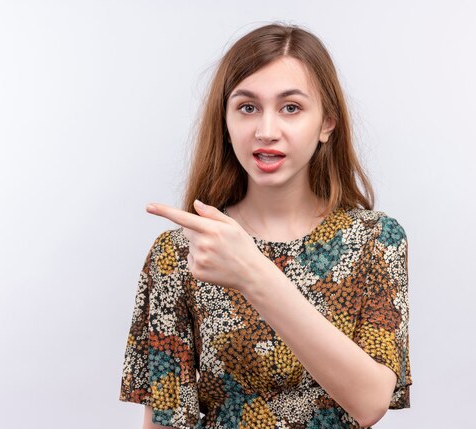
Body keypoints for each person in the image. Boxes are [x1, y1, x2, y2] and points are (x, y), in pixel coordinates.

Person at [119, 22, 412, 429]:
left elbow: (370, 402)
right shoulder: (185, 251)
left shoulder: (375, 241)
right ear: (225, 120)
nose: (266, 131)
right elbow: (167, 419)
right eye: (247, 107)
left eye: (291, 107)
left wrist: (252, 273)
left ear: (327, 123)